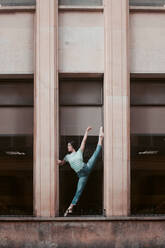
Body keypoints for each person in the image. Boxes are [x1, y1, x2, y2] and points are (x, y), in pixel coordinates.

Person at [57, 126, 104, 217]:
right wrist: (55, 161)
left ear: (72, 146)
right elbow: (61, 163)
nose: (68, 147)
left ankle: (100, 137)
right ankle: (70, 208)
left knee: (95, 154)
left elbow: (84, 142)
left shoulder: (79, 152)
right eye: (67, 146)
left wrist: (86, 131)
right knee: (78, 191)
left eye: (69, 145)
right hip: (82, 176)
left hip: (86, 168)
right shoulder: (67, 157)